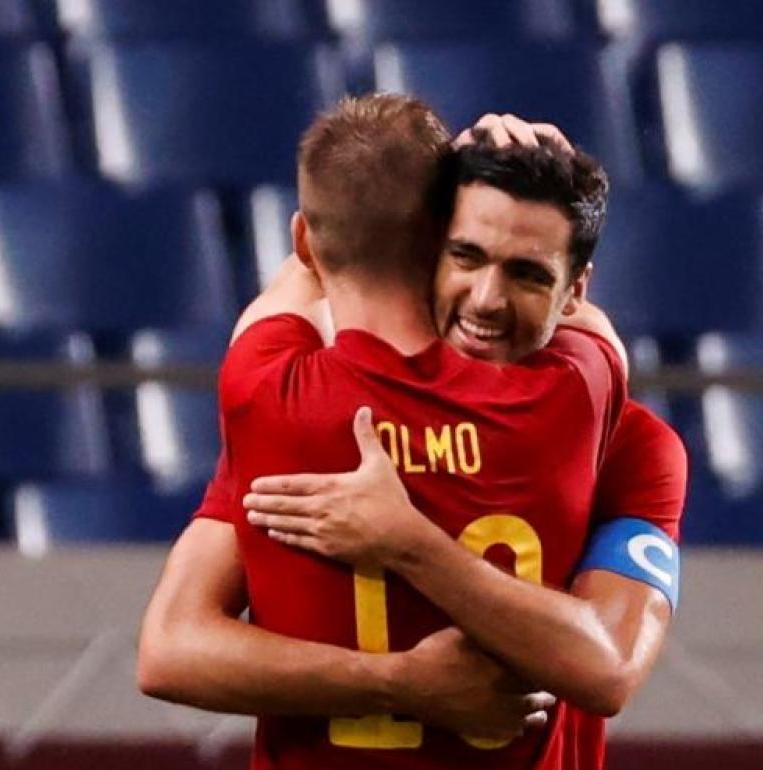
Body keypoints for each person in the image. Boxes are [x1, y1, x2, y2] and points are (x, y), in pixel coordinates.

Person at [139, 94, 652, 769]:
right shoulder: (570, 397)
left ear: (302, 240)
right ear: (441, 233)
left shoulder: (267, 396)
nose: (490, 298)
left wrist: (397, 680)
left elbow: (165, 654)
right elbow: (589, 327)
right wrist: (501, 177)